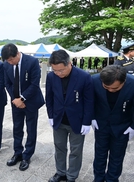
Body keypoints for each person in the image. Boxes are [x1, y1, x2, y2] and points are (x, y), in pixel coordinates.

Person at [45, 50, 94, 182]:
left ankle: (71, 176)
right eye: (55, 70)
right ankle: (60, 172)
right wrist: (50, 115)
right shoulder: (51, 77)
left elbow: (89, 101)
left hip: (77, 120)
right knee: (59, 147)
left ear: (69, 64)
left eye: (61, 70)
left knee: (75, 151)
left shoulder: (84, 76)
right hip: (59, 119)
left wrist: (87, 122)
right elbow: (49, 98)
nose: (58, 73)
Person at [2, 43, 45, 171]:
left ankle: (27, 155)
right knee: (17, 128)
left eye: (11, 60)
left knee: (31, 129)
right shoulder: (6, 65)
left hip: (30, 102)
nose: (10, 63)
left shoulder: (32, 62)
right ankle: (17, 152)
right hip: (16, 103)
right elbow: (7, 83)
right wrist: (15, 100)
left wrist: (22, 98)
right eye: (7, 61)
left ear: (17, 54)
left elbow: (34, 84)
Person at [92, 65, 134, 182]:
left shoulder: (132, 84)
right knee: (100, 155)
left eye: (115, 89)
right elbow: (90, 100)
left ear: (124, 82)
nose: (110, 90)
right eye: (106, 87)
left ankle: (112, 179)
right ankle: (98, 178)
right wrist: (92, 118)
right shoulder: (95, 80)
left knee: (117, 157)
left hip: (122, 126)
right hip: (101, 124)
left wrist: (133, 127)